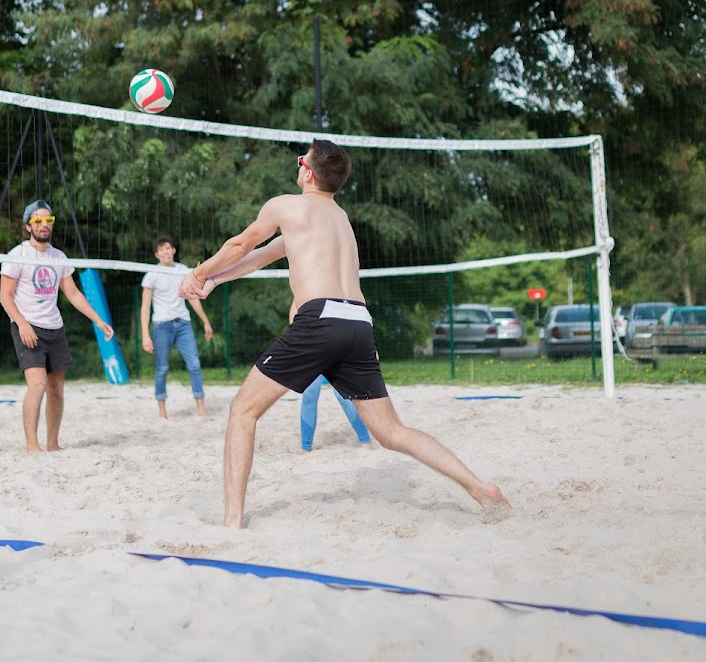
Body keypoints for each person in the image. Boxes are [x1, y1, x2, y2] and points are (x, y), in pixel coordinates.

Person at [179, 139, 509, 528]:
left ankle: (232, 520)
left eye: (301, 158)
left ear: (309, 172)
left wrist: (198, 273)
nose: (298, 163)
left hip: (318, 321)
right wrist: (213, 281)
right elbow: (258, 258)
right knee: (391, 431)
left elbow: (239, 245)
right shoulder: (340, 220)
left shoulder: (284, 205)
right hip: (357, 322)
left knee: (242, 411)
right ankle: (479, 487)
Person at [0, 200, 115, 452]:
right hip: (28, 326)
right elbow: (5, 296)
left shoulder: (58, 257)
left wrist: (98, 320)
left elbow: (72, 293)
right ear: (28, 226)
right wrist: (21, 324)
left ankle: (53, 445)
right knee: (38, 384)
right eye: (38, 221)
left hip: (54, 327)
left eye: (48, 221)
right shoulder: (17, 255)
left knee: (56, 387)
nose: (44, 225)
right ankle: (32, 445)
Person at [140, 235, 213, 420]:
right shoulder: (151, 274)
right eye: (161, 249)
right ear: (157, 254)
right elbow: (145, 307)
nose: (165, 251)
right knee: (162, 368)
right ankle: (162, 411)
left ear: (173, 250)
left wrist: (205, 321)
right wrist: (145, 335)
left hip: (183, 324)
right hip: (161, 325)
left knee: (194, 365)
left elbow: (193, 298)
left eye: (168, 248)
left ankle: (201, 409)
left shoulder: (183, 271)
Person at [290, 299, 374, 452]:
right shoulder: (307, 288)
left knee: (343, 394)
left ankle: (365, 440)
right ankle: (305, 446)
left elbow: (359, 315)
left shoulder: (341, 289)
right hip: (312, 349)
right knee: (310, 394)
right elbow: (294, 314)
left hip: (337, 346)